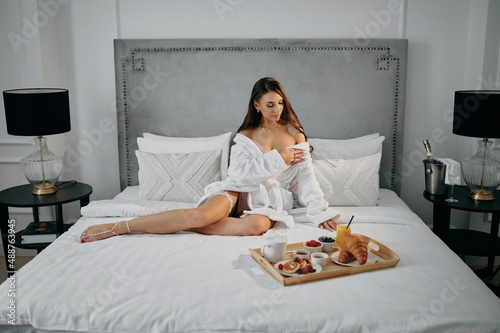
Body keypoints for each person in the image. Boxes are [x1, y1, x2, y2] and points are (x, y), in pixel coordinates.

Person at [81, 77, 339, 243]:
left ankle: (172, 222)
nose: (278, 109)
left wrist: (318, 211)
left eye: (281, 103)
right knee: (201, 215)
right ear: (257, 105)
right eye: (270, 104)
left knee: (256, 226)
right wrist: (278, 158)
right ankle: (121, 226)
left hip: (266, 200)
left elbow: (306, 176)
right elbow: (238, 176)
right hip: (237, 191)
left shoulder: (294, 132)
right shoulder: (245, 136)